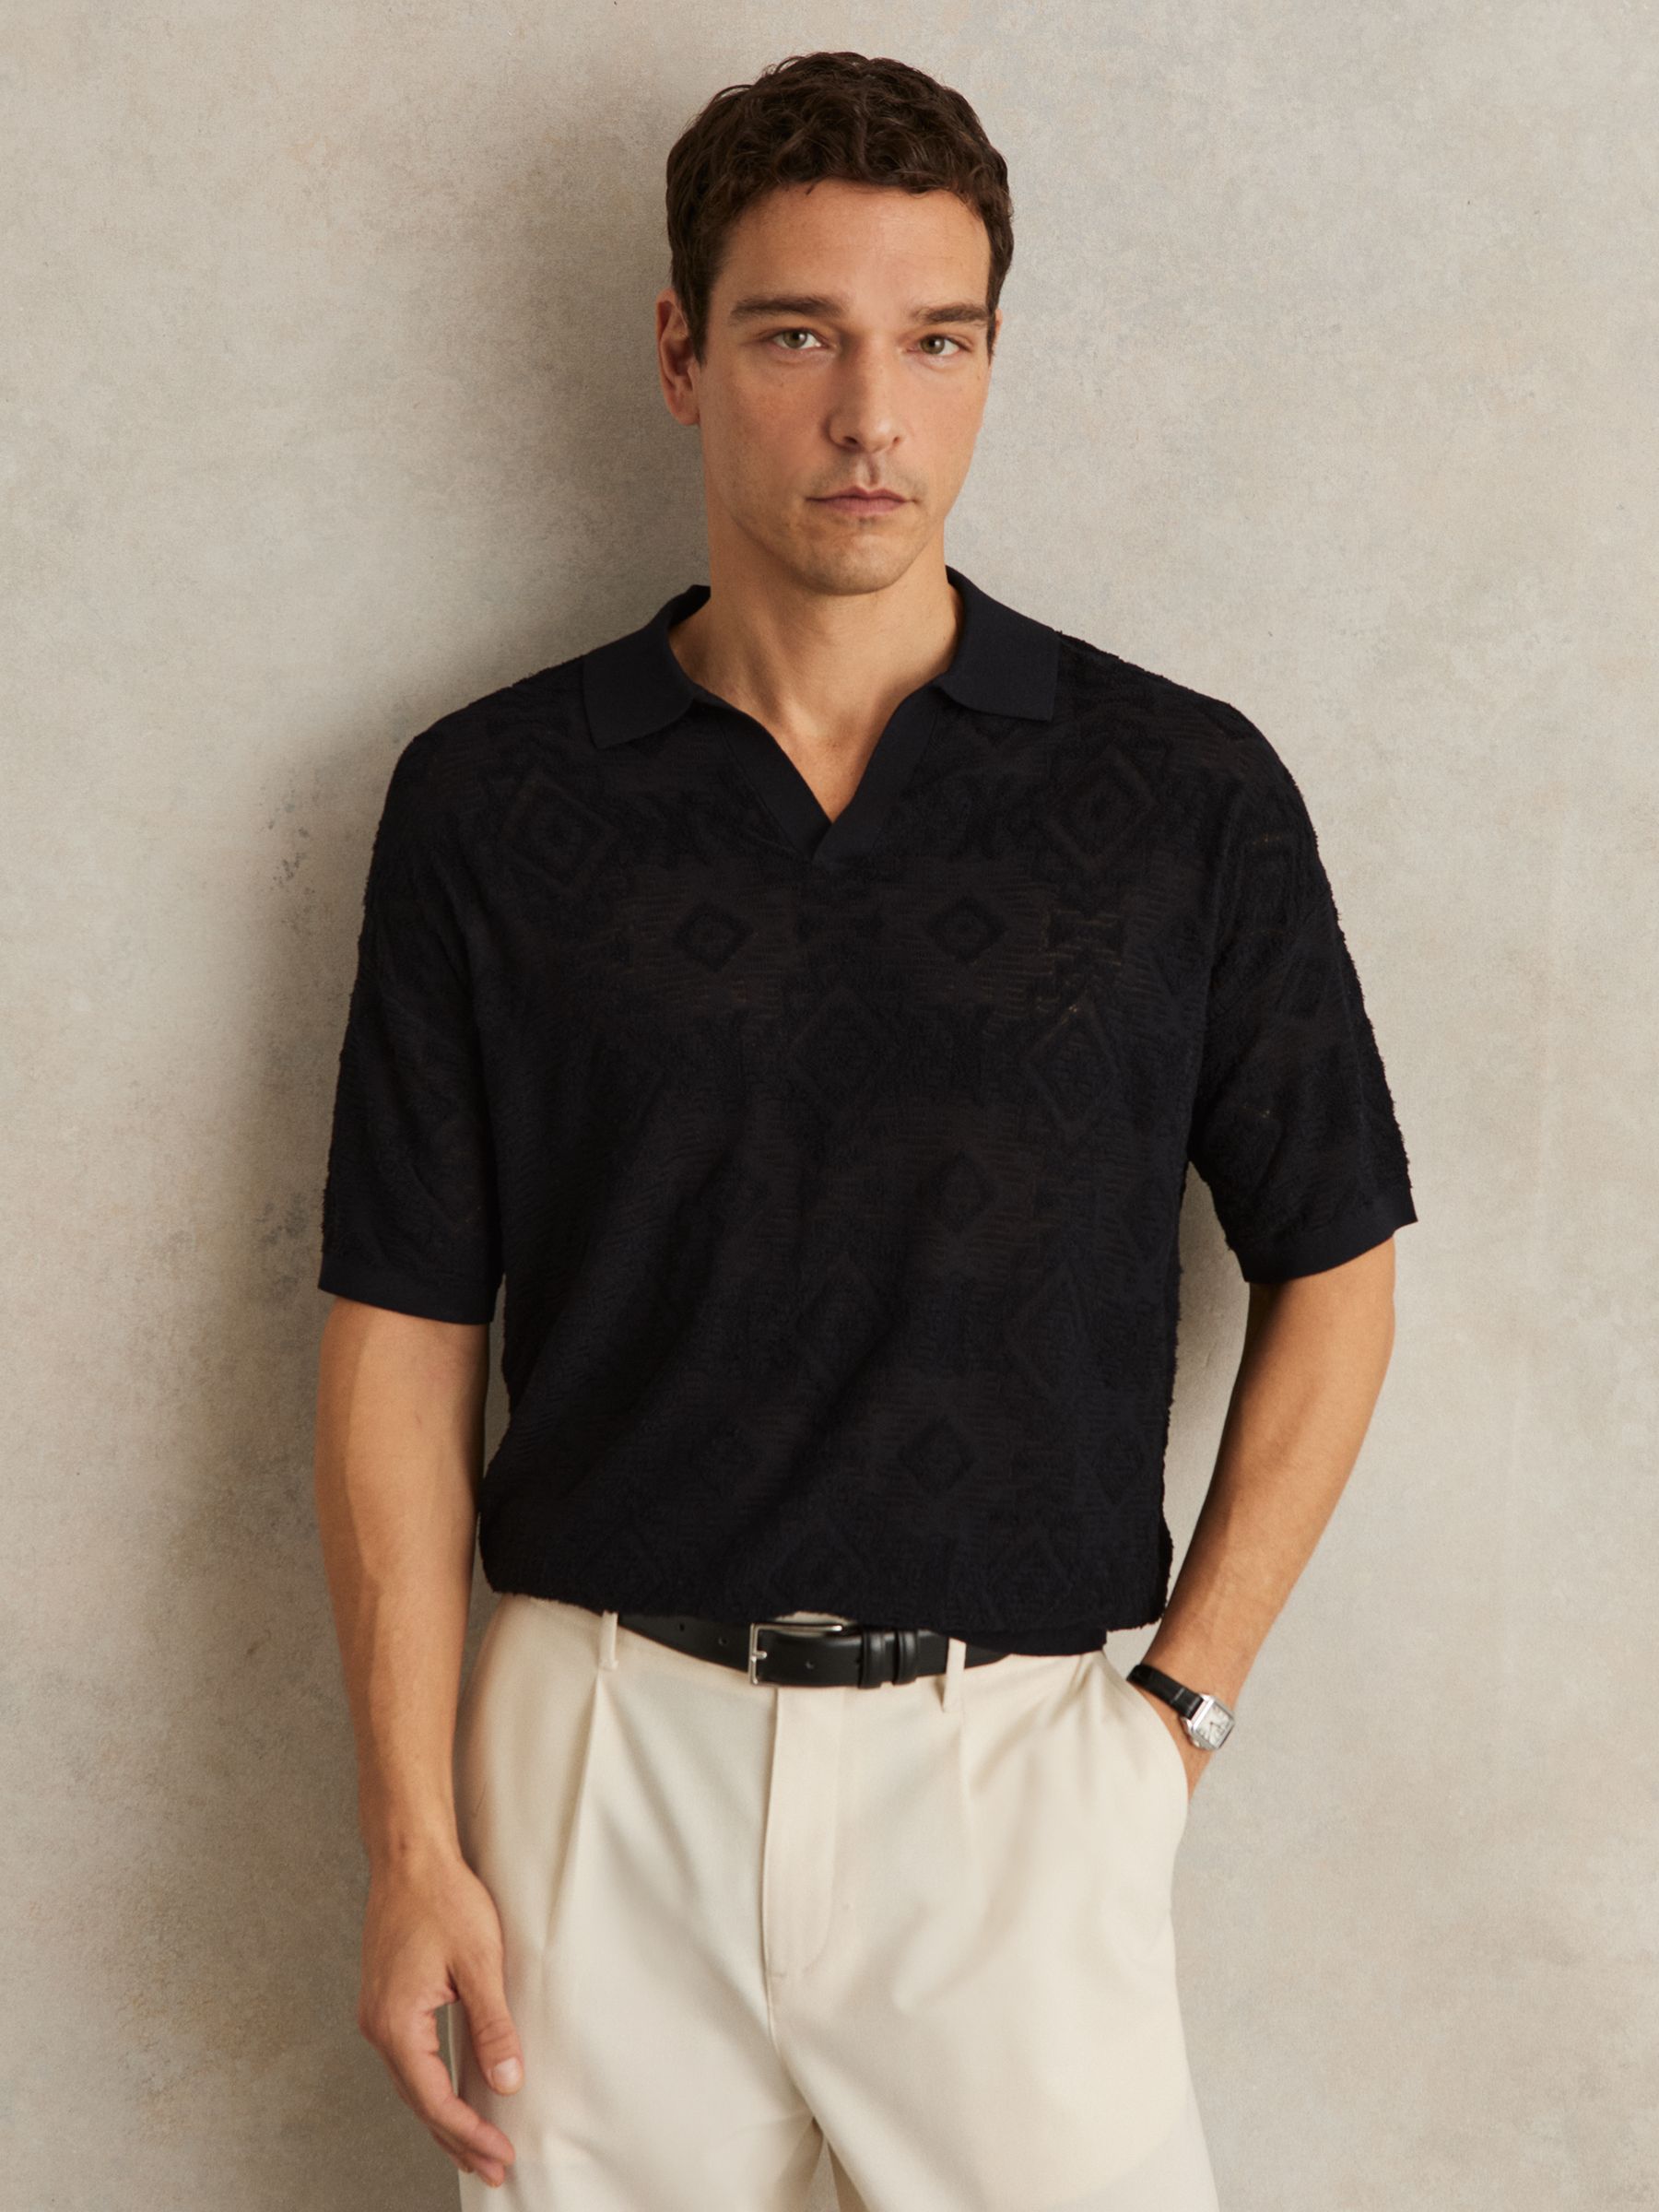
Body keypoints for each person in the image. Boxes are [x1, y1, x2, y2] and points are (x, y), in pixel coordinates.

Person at [312, 49, 1417, 2210]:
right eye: (798, 336)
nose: (871, 418)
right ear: (680, 354)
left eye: (937, 342)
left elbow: (1342, 1263)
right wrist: (411, 1838)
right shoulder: (494, 803)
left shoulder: (1176, 796)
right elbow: (401, 1333)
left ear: (993, 358)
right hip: (595, 1769)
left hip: (1015, 1775)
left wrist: (1175, 1723)